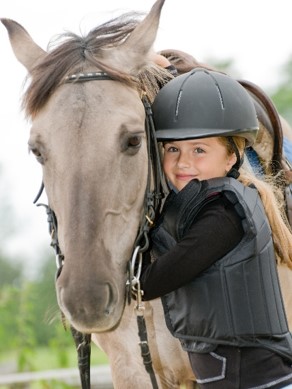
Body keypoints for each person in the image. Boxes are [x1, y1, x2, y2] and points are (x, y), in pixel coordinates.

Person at [139, 68, 292, 388]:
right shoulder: (208, 205)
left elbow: (151, 282)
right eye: (172, 149)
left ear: (230, 158)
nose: (182, 162)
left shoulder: (225, 215)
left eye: (199, 149)